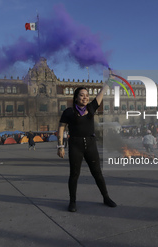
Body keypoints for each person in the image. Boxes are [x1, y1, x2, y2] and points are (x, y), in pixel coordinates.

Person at [57, 73, 116, 212]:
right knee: (74, 174)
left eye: (87, 95)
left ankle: (106, 197)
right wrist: (60, 146)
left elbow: (101, 93)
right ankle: (72, 202)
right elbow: (61, 128)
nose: (85, 97)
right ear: (76, 97)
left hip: (90, 144)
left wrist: (110, 79)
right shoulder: (69, 112)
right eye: (82, 95)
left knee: (97, 173)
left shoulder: (91, 108)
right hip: (75, 144)